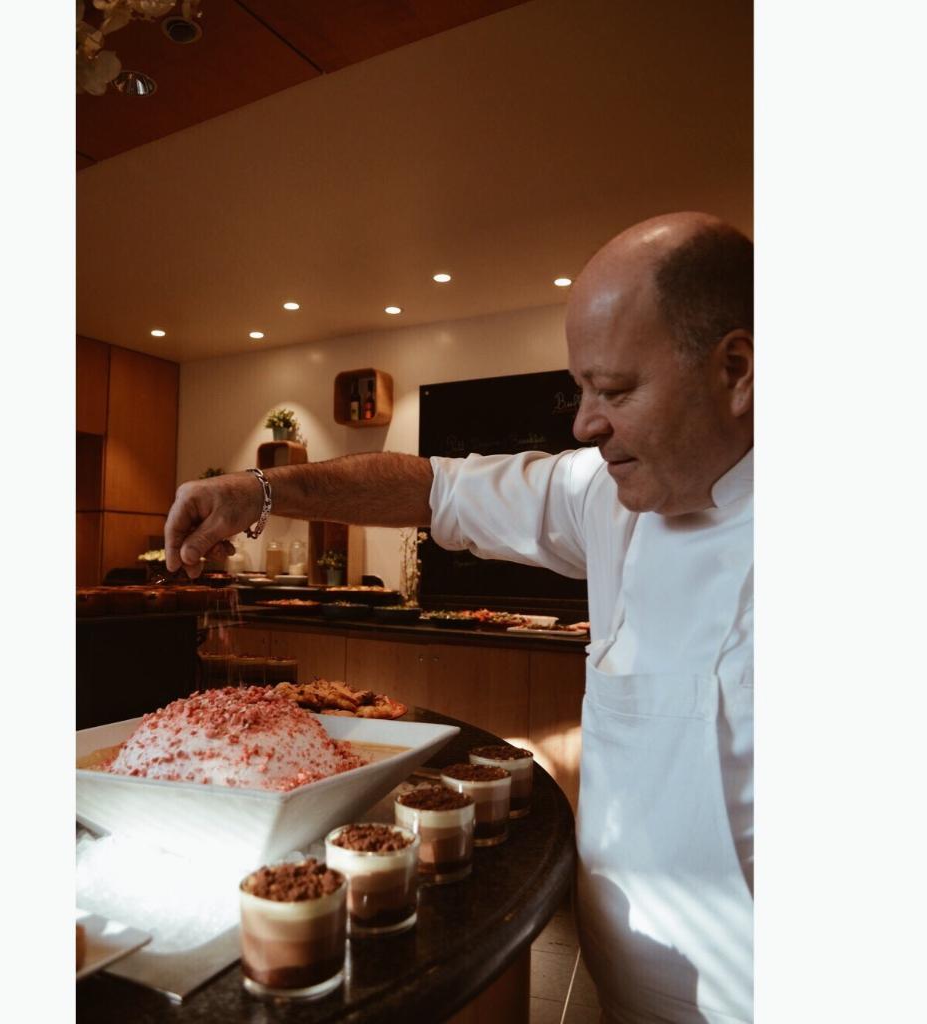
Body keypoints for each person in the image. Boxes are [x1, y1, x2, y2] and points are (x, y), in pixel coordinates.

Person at [164, 211, 754, 1024]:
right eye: (582, 389)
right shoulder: (602, 493)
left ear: (736, 370)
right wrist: (259, 491)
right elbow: (432, 487)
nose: (584, 423)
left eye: (615, 391)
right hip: (620, 996)